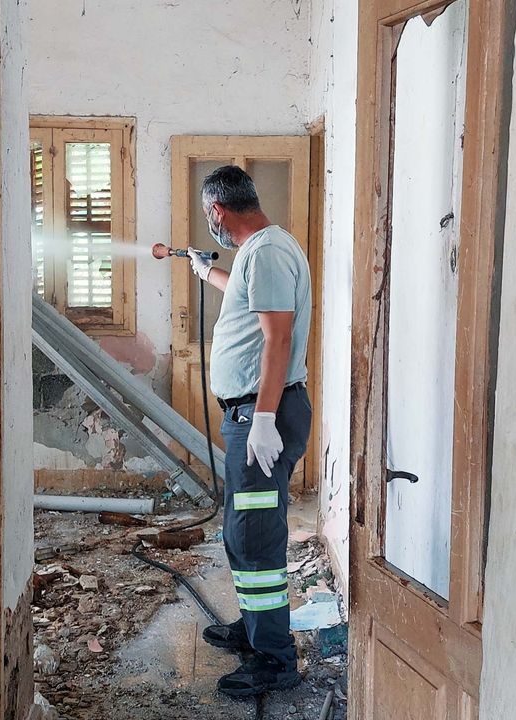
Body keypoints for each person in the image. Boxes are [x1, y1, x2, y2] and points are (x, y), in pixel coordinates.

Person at [186, 165, 313, 697]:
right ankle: (256, 626)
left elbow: (277, 339)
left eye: (208, 215)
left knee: (255, 537)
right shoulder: (257, 253)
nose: (210, 223)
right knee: (242, 532)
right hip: (251, 414)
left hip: (263, 416)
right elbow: (246, 297)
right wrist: (206, 273)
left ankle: (275, 660)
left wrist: (262, 419)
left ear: (217, 210)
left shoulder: (266, 252)